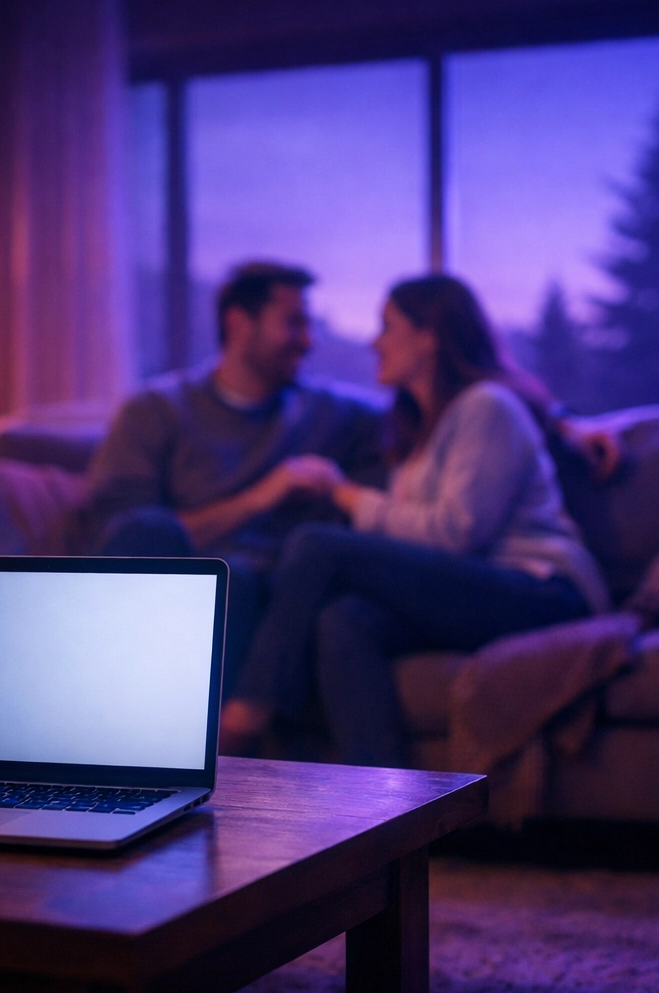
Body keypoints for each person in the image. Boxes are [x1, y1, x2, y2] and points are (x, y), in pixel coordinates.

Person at [219, 274, 611, 766]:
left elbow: (454, 534)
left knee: (317, 546)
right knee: (345, 619)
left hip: (544, 591)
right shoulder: (414, 430)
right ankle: (383, 806)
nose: (375, 343)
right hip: (480, 590)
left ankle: (246, 715)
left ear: (429, 337)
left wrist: (347, 495)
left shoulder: (486, 406)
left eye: (387, 327)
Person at [82, 262, 388, 693]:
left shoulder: (336, 415)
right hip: (177, 593)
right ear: (239, 324)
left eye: (309, 325)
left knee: (241, 581)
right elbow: (127, 537)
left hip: (275, 595)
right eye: (294, 323)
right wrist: (260, 498)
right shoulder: (156, 411)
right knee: (151, 532)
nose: (308, 341)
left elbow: (407, 429)